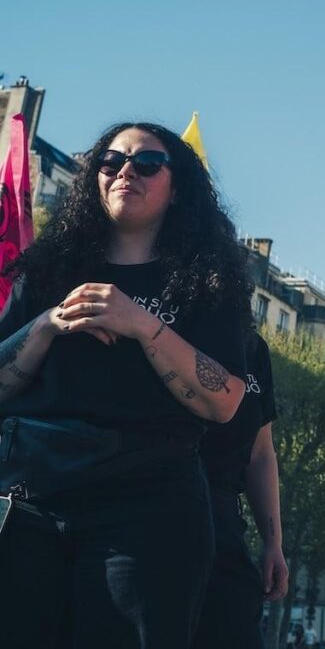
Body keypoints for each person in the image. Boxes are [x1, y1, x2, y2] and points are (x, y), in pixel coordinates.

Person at [0, 122, 251, 647]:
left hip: (146, 511)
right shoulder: (46, 269)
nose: (125, 172)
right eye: (111, 162)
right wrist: (45, 324)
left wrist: (140, 323)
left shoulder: (209, 280)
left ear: (177, 188)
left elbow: (225, 401)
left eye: (147, 163)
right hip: (31, 501)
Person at [192, 330, 288, 648]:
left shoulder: (253, 347)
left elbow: (261, 452)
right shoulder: (166, 319)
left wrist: (273, 543)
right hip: (158, 503)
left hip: (224, 519)